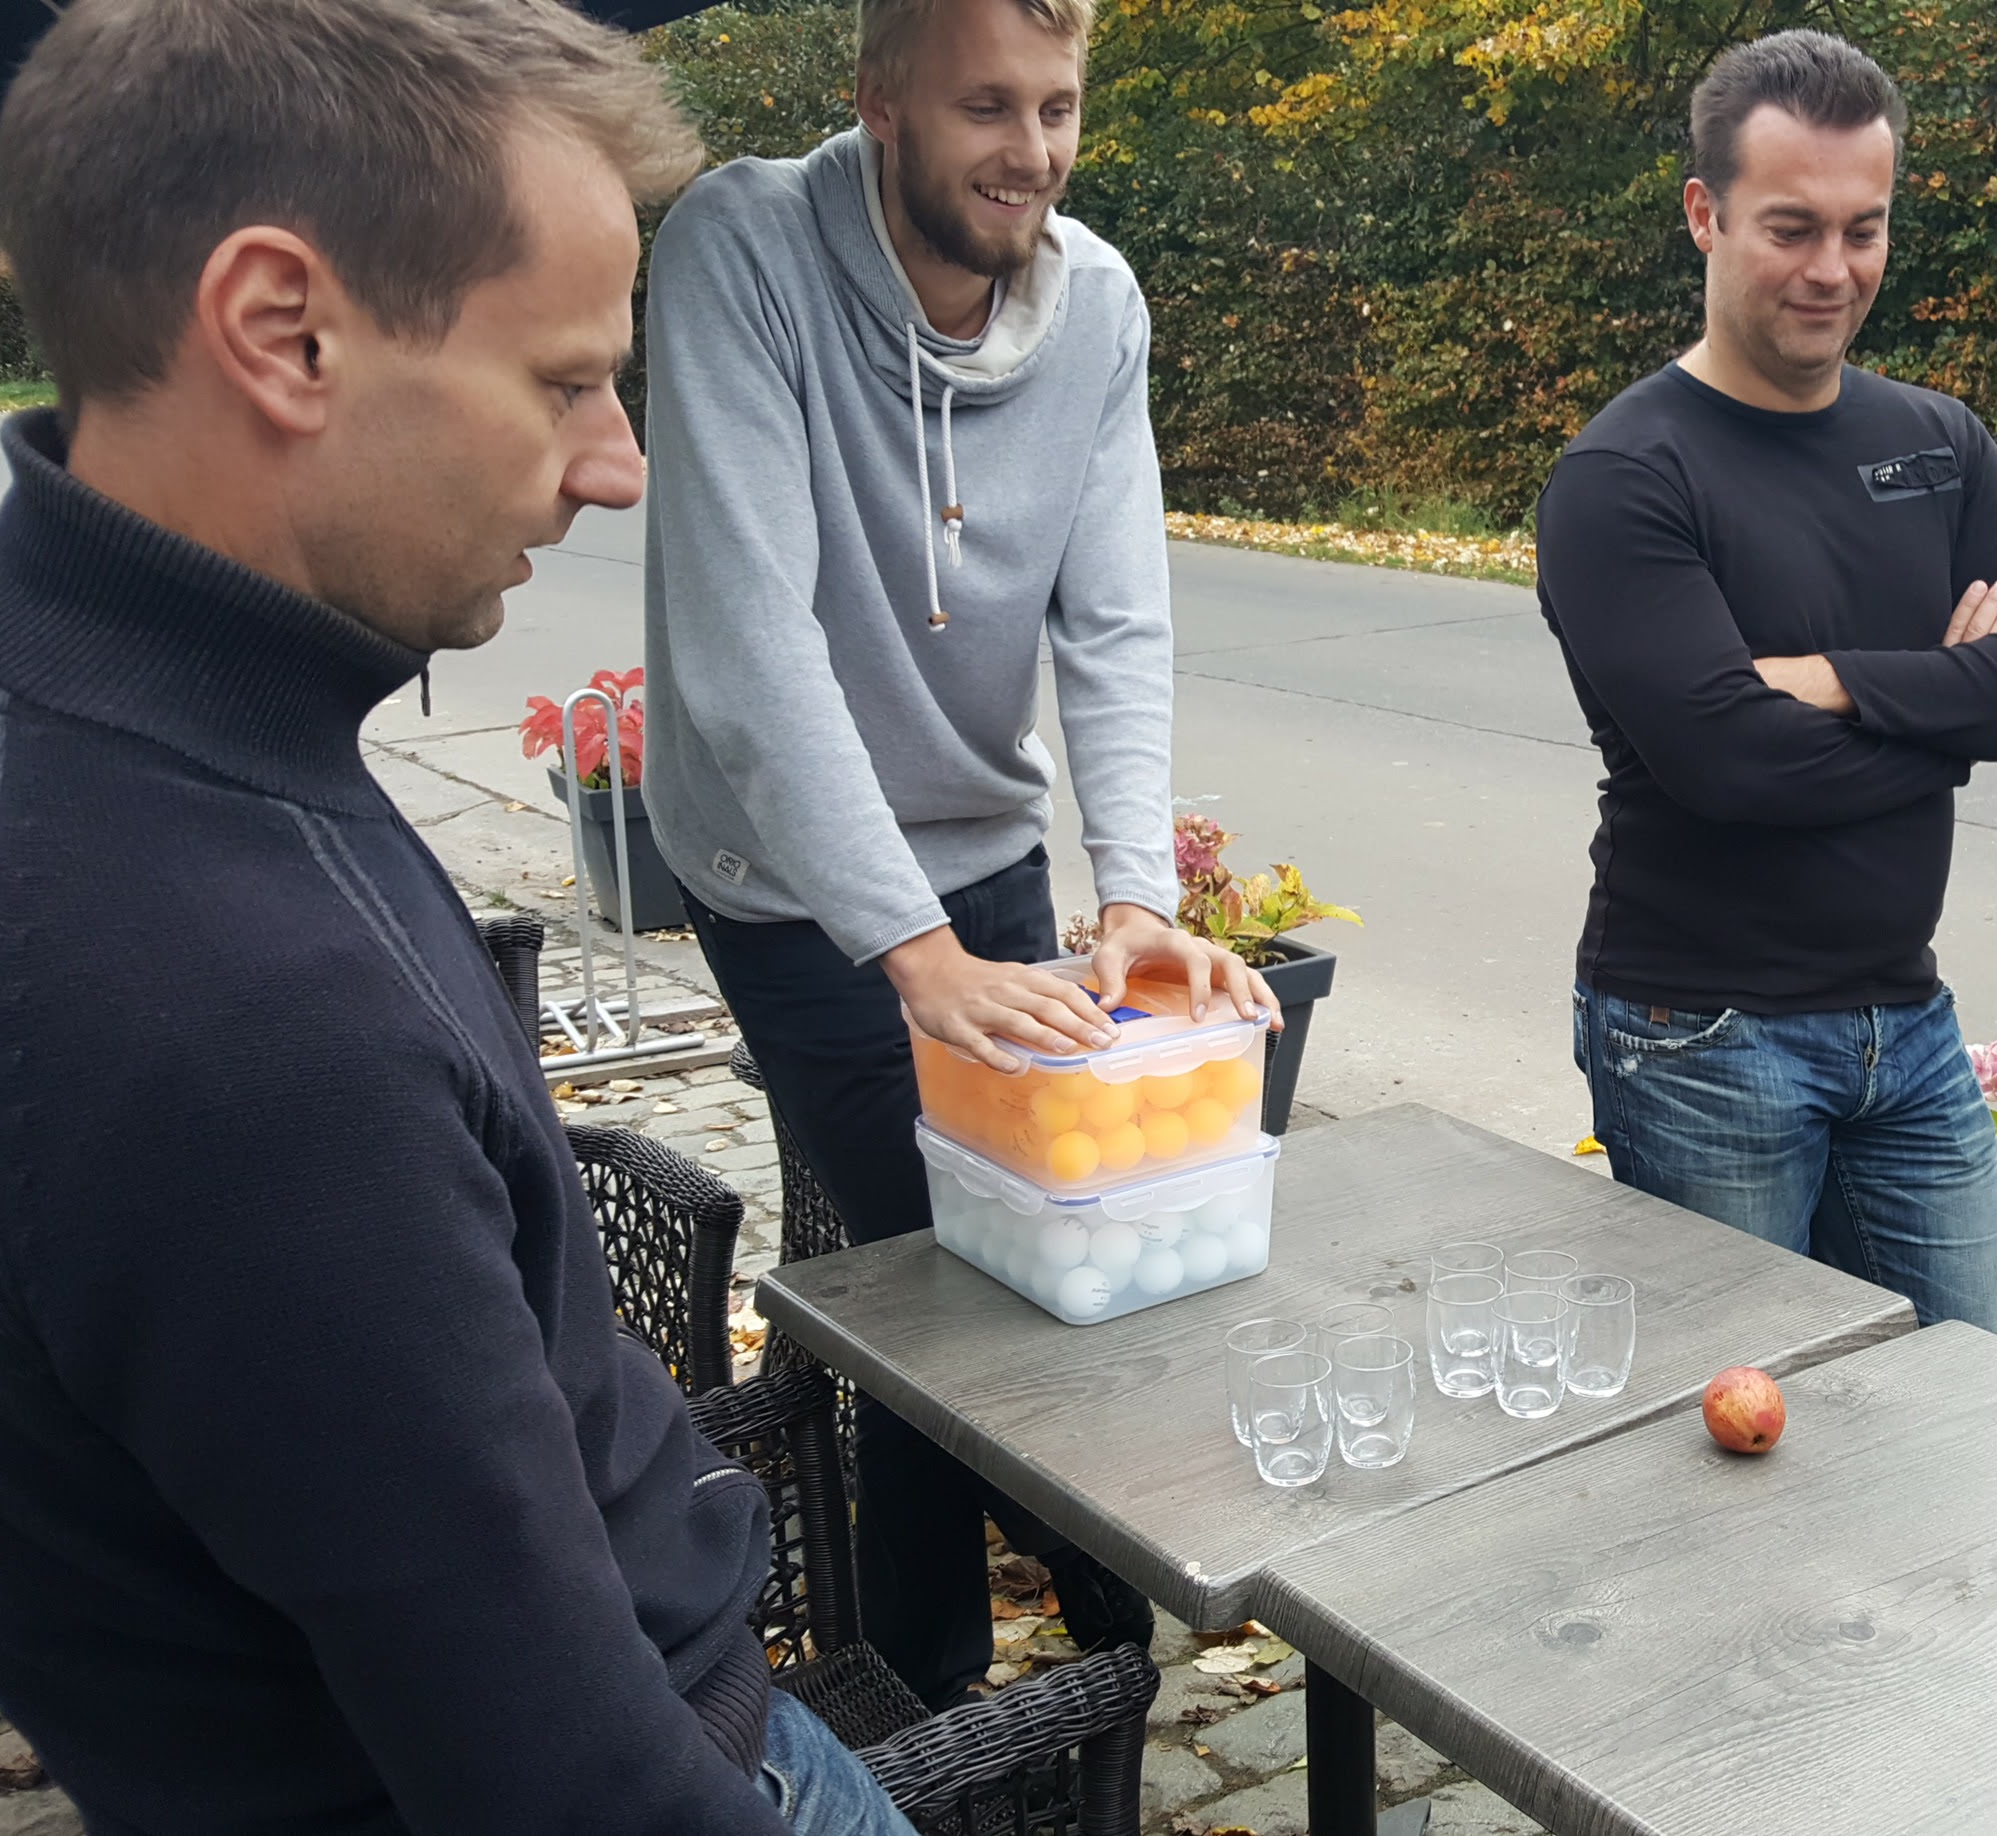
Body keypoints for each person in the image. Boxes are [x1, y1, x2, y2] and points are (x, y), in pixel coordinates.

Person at [0, 0, 906, 1828]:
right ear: (281, 329)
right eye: (563, 380)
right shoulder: (238, 1008)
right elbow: (566, 1784)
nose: (617, 461)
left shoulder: (54, 714)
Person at [640, 0, 1266, 1703]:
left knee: (990, 1239)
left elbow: (1115, 622)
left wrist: (1131, 898)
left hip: (982, 840)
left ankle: (1004, 1656)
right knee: (953, 1267)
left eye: (1059, 107)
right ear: (880, 102)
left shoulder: (1100, 304)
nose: (1033, 153)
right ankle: (1016, 1644)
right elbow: (751, 645)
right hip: (785, 876)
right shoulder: (742, 251)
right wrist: (911, 954)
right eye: (988, 106)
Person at [1535, 30, 1997, 1339]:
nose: (1833, 270)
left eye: (1865, 229)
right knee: (1755, 1421)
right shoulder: (1624, 478)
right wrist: (1960, 698)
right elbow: (1734, 764)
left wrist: (1841, 682)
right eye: (1792, 229)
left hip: (1906, 1020)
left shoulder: (1937, 442)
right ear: (1706, 214)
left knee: (1973, 1405)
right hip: (1701, 1037)